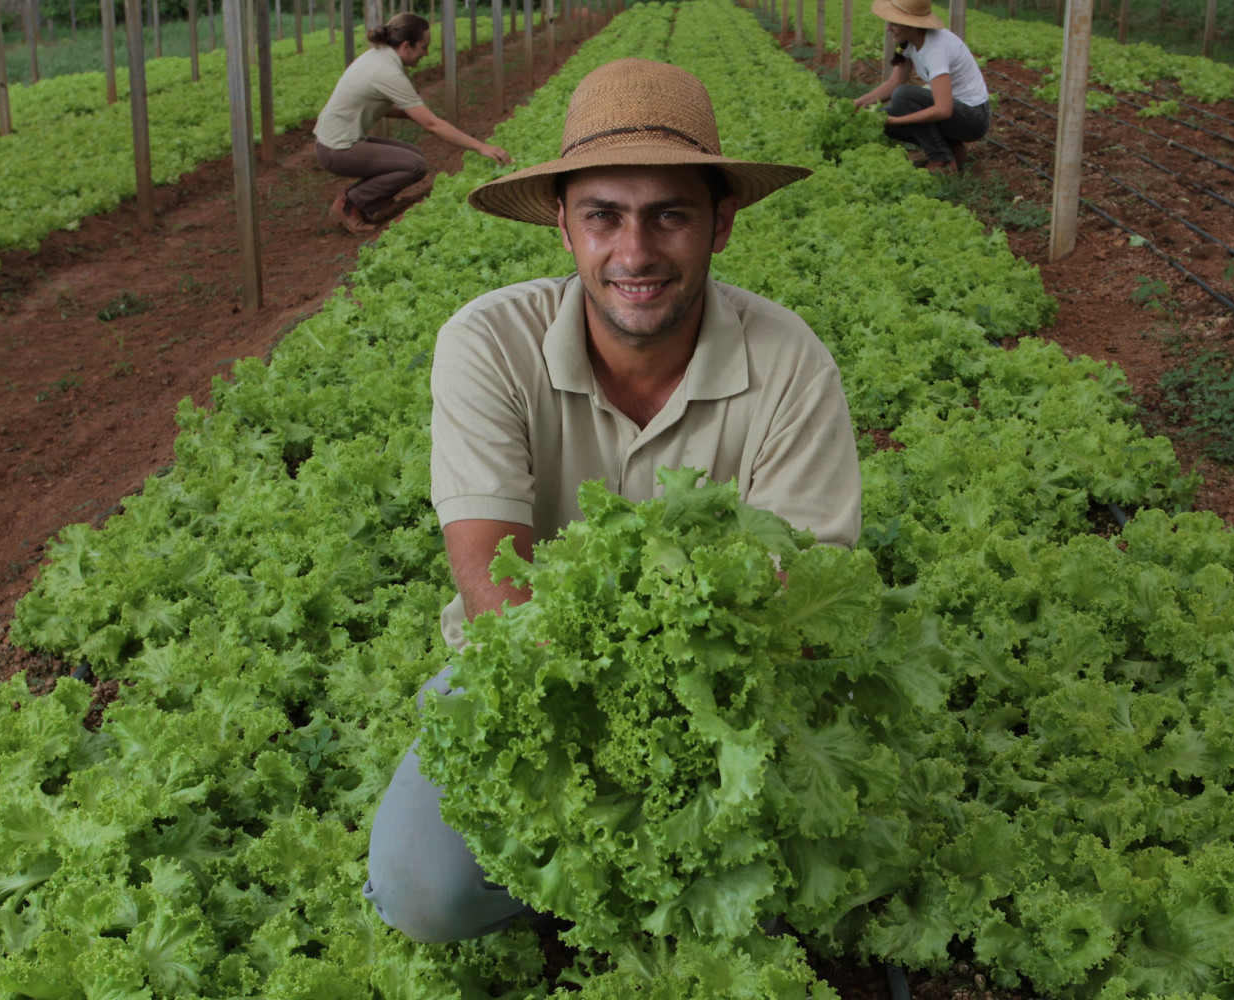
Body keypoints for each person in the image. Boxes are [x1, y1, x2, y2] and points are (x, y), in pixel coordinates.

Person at [361, 58, 863, 943]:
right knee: (425, 892)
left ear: (722, 224)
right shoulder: (488, 343)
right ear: (563, 227)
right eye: (604, 216)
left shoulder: (791, 363)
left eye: (670, 215)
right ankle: (612, 876)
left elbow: (805, 595)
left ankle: (636, 876)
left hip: (731, 699)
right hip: (526, 679)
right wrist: (601, 739)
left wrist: (677, 734)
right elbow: (491, 577)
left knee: (803, 863)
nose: (635, 253)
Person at [314, 12, 512, 235]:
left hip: (334, 141)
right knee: (414, 165)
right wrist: (482, 147)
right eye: (424, 47)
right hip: (337, 149)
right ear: (407, 46)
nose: (426, 54)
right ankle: (350, 205)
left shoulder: (378, 56)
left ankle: (364, 200)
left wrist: (413, 113)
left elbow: (375, 104)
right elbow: (432, 125)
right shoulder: (387, 72)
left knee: (412, 154)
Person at [853, 0, 990, 174]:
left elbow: (943, 109)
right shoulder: (911, 42)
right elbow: (894, 82)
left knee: (903, 96)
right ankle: (953, 149)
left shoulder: (936, 49)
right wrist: (857, 103)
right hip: (957, 114)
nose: (888, 28)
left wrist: (898, 120)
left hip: (973, 117)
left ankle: (942, 161)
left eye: (894, 23)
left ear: (913, 25)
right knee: (881, 119)